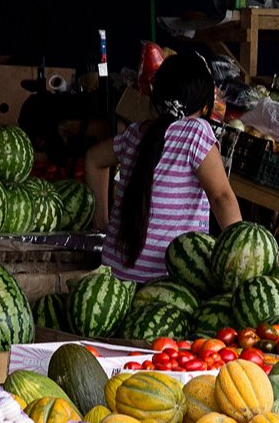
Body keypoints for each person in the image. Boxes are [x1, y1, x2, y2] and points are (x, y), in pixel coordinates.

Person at [86, 52, 242, 283]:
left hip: (113, 277)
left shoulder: (135, 133)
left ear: (157, 97)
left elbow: (93, 158)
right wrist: (245, 251)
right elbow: (221, 197)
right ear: (205, 104)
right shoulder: (196, 132)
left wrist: (102, 223)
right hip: (165, 282)